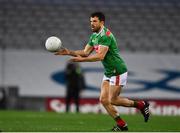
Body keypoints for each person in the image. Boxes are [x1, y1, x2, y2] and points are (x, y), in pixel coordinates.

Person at [55, 12, 149, 131]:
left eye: (94, 21)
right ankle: (122, 125)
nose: (92, 24)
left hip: (117, 70)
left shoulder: (106, 36)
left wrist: (81, 61)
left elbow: (100, 56)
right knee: (104, 100)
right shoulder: (94, 36)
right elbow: (85, 52)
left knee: (113, 100)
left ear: (102, 22)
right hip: (109, 71)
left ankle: (141, 105)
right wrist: (68, 51)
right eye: (90, 21)